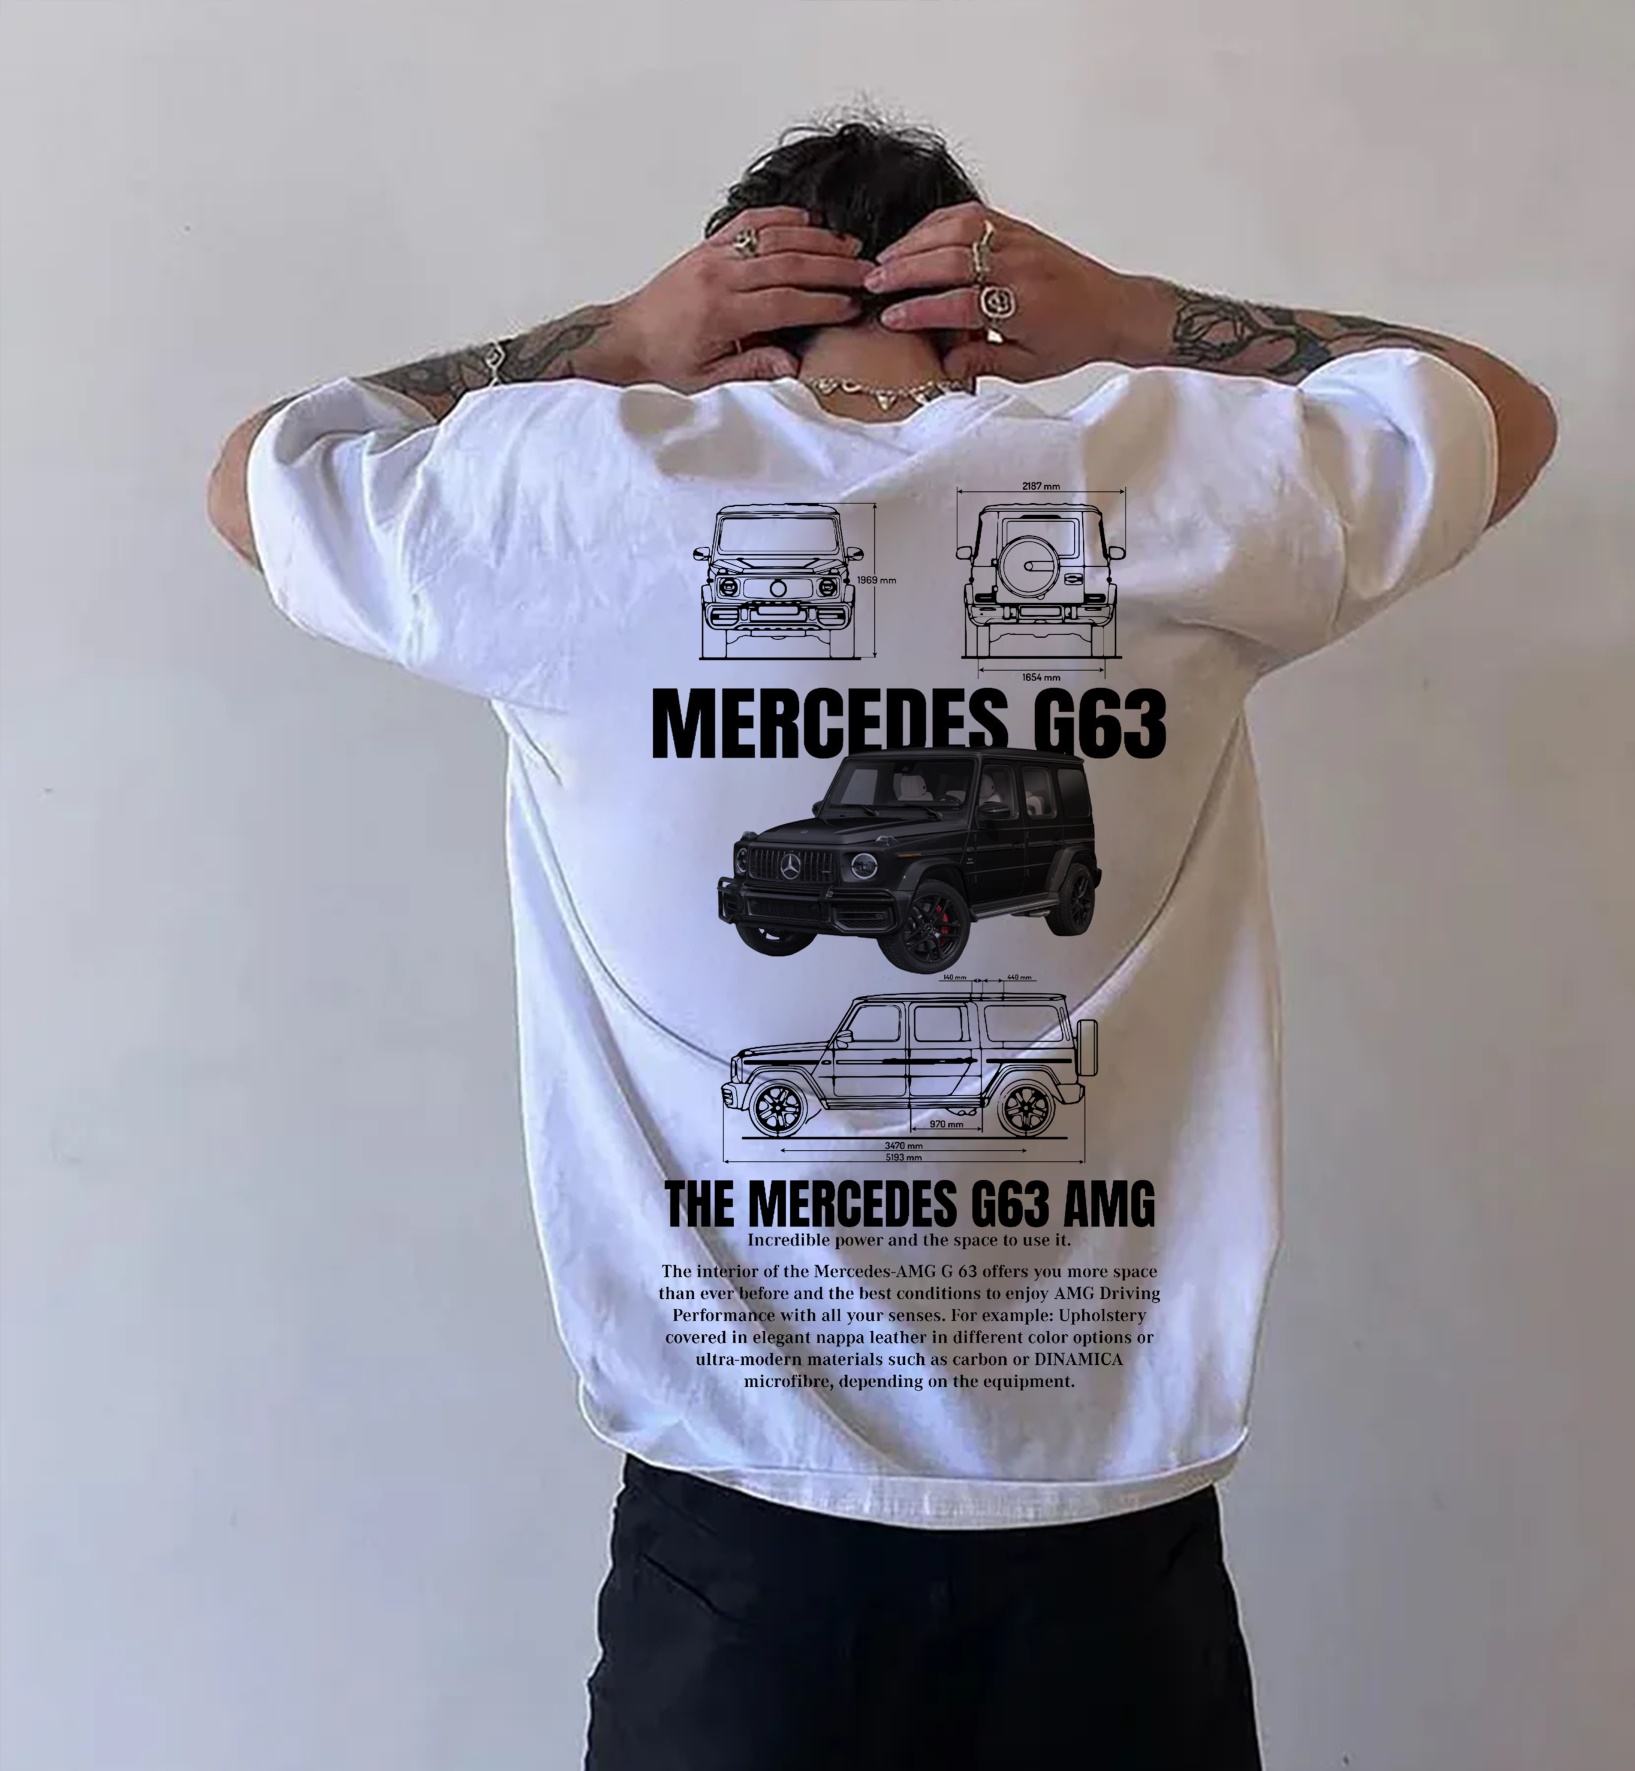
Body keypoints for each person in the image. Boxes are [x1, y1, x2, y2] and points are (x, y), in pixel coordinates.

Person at [207, 118, 1556, 1770]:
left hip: (740, 1520)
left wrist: (618, 342)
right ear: (984, 297)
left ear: (734, 302)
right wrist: (1137, 318)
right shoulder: (1171, 470)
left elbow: (261, 470)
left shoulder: (573, 487)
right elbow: (1496, 409)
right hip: (1102, 1501)